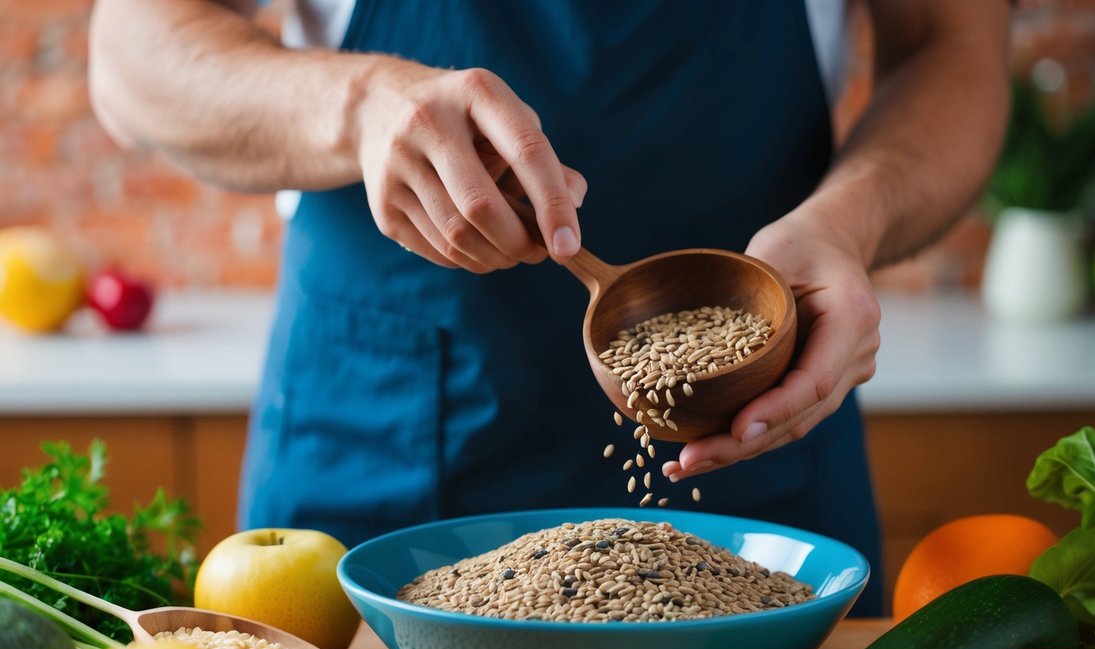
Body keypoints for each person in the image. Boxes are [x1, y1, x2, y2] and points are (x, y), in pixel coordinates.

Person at [89, 0, 1010, 616]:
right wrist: (358, 104)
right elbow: (132, 55)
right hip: (372, 459)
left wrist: (848, 225)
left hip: (760, 458)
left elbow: (952, 47)